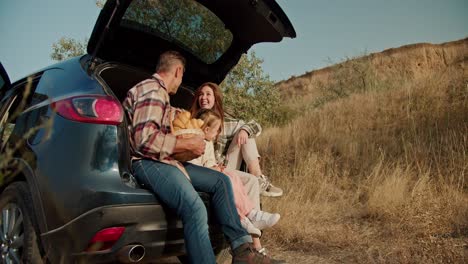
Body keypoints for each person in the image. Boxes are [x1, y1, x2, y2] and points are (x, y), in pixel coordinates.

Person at [123, 51, 283, 264]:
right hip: (147, 162)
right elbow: (144, 140)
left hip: (167, 161)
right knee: (195, 208)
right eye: (182, 77)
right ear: (178, 71)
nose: (180, 84)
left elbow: (170, 116)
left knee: (221, 181)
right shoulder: (153, 91)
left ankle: (243, 250)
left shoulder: (159, 96)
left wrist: (188, 121)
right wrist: (184, 144)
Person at [188, 108, 280, 254]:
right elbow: (195, 166)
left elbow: (210, 161)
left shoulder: (210, 140)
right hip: (201, 175)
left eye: (209, 94)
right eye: (217, 131)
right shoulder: (194, 140)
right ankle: (244, 218)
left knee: (235, 177)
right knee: (226, 180)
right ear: (206, 129)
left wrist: (215, 166)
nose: (218, 134)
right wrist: (213, 169)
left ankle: (252, 214)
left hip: (215, 169)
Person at [190, 83, 284, 197]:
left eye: (208, 94)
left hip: (224, 166)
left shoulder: (225, 122)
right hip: (204, 169)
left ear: (216, 98)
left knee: (245, 132)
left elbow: (255, 126)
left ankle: (258, 178)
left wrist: (244, 130)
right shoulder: (191, 120)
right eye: (201, 94)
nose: (203, 97)